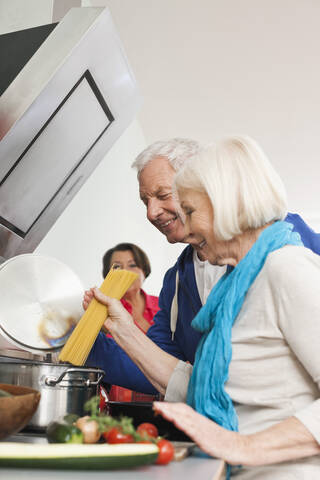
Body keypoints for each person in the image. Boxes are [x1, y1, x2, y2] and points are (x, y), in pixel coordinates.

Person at [93, 136, 320, 478]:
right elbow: (214, 388)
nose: (185, 225)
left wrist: (244, 446)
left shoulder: (286, 268)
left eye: (191, 210)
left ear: (225, 204)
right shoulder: (236, 286)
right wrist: (122, 327)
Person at [101, 242, 159, 401]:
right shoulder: (102, 312)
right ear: (108, 275)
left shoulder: (164, 306)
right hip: (121, 400)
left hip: (166, 397)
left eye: (133, 265)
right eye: (117, 267)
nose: (125, 272)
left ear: (144, 271)